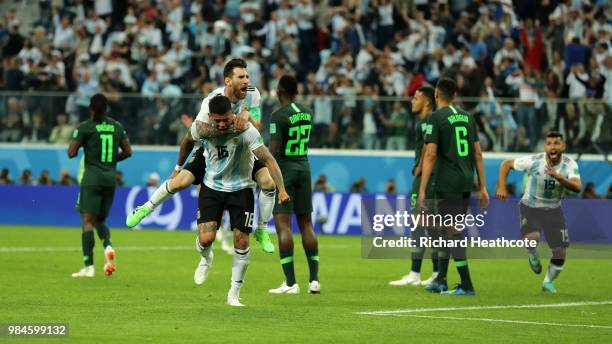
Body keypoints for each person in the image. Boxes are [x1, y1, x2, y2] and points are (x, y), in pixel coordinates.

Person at [126, 58, 276, 253]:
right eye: (241, 76)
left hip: (241, 149)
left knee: (268, 182)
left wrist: (246, 117)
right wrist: (178, 167)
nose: (246, 80)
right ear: (228, 81)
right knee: (180, 181)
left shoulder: (252, 94)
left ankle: (262, 229)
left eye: (247, 76)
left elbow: (257, 125)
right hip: (212, 150)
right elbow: (196, 133)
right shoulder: (211, 101)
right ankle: (146, 207)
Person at [189, 95, 289, 306]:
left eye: (226, 119)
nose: (222, 124)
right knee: (206, 239)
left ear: (231, 114)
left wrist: (281, 189)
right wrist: (179, 169)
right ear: (210, 117)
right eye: (217, 121)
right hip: (212, 187)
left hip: (241, 188)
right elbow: (186, 142)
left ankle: (234, 294)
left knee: (242, 241)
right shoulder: (202, 130)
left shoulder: (246, 131)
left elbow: (268, 158)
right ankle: (206, 258)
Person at [419, 77, 489, 296]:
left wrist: (422, 190)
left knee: (451, 230)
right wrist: (483, 186)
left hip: (447, 181)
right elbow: (477, 152)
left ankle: (467, 284)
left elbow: (430, 154)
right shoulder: (468, 118)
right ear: (455, 96)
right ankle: (440, 279)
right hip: (466, 180)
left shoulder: (435, 118)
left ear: (436, 95)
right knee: (444, 228)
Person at [496, 132, 581, 293]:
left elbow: (577, 187)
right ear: (545, 147)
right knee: (531, 238)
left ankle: (548, 282)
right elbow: (506, 164)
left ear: (563, 146)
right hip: (531, 206)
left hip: (554, 209)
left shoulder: (570, 165)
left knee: (560, 252)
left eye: (556, 143)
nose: (553, 146)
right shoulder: (534, 161)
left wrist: (559, 177)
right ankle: (533, 255)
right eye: (549, 143)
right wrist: (501, 186)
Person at [266, 75, 320, 294]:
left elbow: (274, 151)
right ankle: (314, 280)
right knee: (306, 224)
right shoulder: (307, 112)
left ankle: (290, 283)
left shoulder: (278, 116)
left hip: (285, 171)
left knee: (283, 226)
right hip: (304, 167)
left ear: (279, 91)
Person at [68, 93, 132, 277]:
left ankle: (88, 266)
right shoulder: (117, 126)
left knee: (87, 221)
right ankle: (108, 246)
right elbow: (128, 151)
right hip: (110, 179)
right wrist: (112, 159)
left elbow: (71, 153)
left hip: (92, 178)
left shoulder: (85, 127)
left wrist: (78, 139)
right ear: (106, 109)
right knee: (100, 220)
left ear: (90, 108)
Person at [389, 85, 438, 287]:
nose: (412, 101)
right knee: (432, 227)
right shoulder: (427, 121)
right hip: (433, 178)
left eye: (416, 98)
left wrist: (419, 168)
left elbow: (429, 148)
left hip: (425, 178)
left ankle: (416, 273)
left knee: (420, 224)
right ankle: (435, 273)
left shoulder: (428, 121)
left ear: (426, 102)